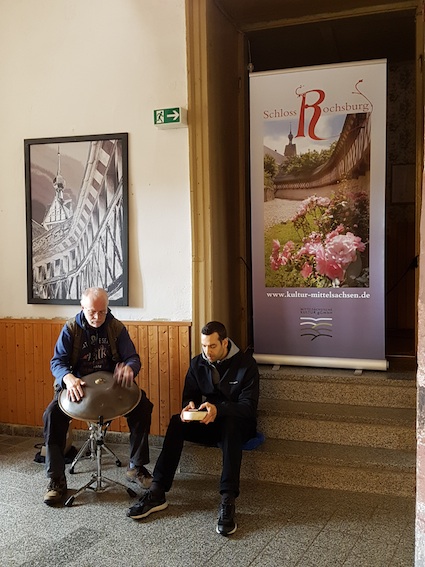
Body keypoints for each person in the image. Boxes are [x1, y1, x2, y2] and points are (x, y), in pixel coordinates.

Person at [127, 320, 260, 536]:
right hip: (208, 421)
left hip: (238, 423)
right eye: (204, 346)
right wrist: (188, 408)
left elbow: (248, 408)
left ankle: (227, 500)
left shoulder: (246, 364)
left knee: (231, 425)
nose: (207, 351)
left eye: (212, 346)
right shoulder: (197, 363)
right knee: (176, 422)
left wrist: (219, 409)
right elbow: (189, 397)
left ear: (225, 343)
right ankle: (158, 491)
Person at [43, 287, 154, 505]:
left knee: (143, 406)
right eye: (92, 312)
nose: (97, 317)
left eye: (102, 312)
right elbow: (57, 362)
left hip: (111, 387)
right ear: (82, 308)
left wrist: (130, 368)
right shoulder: (71, 329)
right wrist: (67, 377)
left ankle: (136, 466)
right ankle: (56, 479)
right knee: (52, 415)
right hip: (79, 387)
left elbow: (133, 358)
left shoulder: (115, 327)